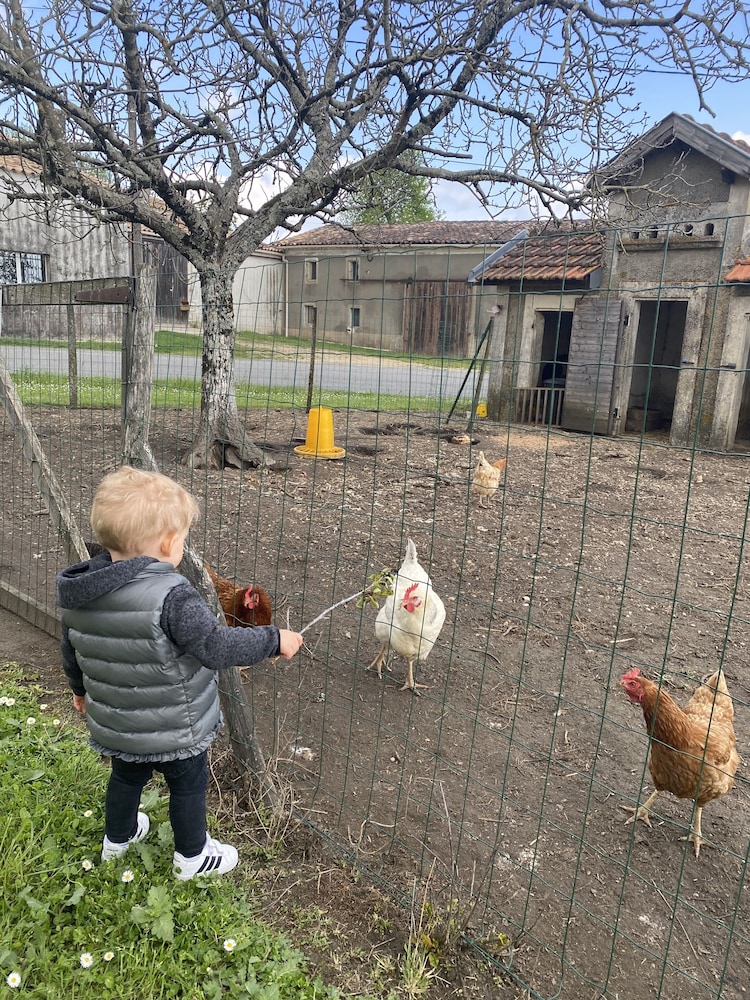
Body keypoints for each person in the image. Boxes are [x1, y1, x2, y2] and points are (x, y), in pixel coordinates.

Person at [56, 465, 304, 880]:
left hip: (119, 722)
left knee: (125, 777)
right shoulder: (172, 596)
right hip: (176, 724)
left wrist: (79, 690)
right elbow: (215, 646)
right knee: (188, 784)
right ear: (170, 543)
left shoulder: (82, 594)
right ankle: (192, 857)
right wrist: (272, 639)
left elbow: (71, 650)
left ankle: (116, 841)